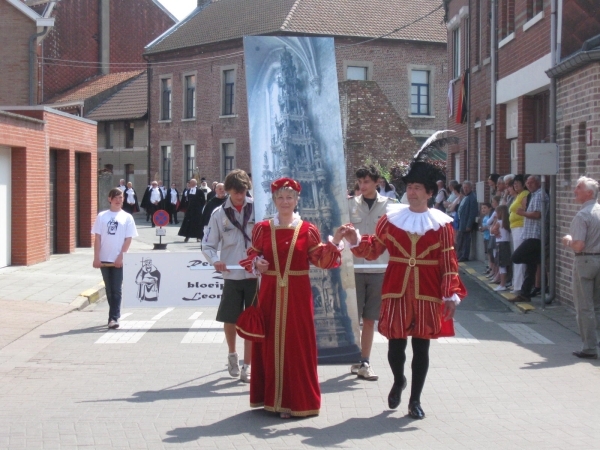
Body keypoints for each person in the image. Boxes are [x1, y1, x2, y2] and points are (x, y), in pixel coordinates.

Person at [342, 134, 466, 420]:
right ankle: (398, 379)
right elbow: (373, 249)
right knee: (396, 345)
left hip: (427, 291)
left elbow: (448, 261)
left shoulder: (441, 225)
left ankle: (415, 400)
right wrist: (354, 239)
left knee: (421, 348)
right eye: (409, 187)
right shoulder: (392, 219)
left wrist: (451, 293)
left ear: (428, 193)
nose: (412, 192)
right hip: (396, 289)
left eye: (417, 188)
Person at [240, 177, 345, 418]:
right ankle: (271, 399)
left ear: (297, 200)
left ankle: (294, 401)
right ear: (274, 200)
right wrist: (258, 263)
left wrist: (336, 241)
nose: (285, 201)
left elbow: (321, 260)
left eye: (289, 197)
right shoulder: (263, 228)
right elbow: (250, 256)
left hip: (298, 294)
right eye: (280, 197)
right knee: (270, 343)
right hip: (269, 293)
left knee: (296, 344)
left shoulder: (307, 230)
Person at [203, 170, 256, 382]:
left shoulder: (258, 209)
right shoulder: (219, 214)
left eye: (243, 192)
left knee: (252, 321)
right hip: (232, 273)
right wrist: (215, 260)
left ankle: (248, 364)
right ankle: (232, 354)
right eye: (235, 193)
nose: (239, 197)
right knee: (230, 318)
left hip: (254, 274)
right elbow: (207, 243)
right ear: (227, 191)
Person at [348, 165, 395, 381]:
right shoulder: (349, 206)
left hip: (379, 269)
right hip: (355, 269)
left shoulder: (390, 207)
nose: (363, 186)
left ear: (377, 182)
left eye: (367, 181)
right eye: (361, 182)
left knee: (369, 319)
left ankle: (365, 361)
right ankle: (355, 357)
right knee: (354, 319)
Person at [562, 177, 600, 359]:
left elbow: (578, 245)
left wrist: (568, 241)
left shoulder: (582, 215)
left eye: (579, 188)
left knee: (585, 307)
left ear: (589, 193)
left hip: (585, 262)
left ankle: (589, 347)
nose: (575, 191)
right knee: (597, 306)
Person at [92, 188, 138, 329]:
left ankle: (113, 318)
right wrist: (96, 258)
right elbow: (98, 237)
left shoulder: (127, 217)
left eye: (121, 197)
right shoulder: (102, 216)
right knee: (109, 289)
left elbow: (128, 239)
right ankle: (113, 315)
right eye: (115, 197)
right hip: (104, 258)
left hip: (119, 259)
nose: (118, 200)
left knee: (117, 289)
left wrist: (121, 257)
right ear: (109, 199)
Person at [511, 175, 548, 302]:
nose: (529, 185)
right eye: (528, 183)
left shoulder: (539, 195)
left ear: (538, 183)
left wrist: (523, 213)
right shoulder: (534, 195)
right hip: (530, 234)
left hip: (535, 235)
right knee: (530, 267)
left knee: (516, 257)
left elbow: (538, 214)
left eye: (532, 183)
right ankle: (525, 294)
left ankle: (538, 261)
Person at [508, 175, 529, 295]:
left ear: (523, 184)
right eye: (514, 183)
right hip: (515, 228)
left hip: (521, 227)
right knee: (516, 256)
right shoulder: (517, 196)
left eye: (517, 183)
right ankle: (516, 283)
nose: (515, 185)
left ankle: (519, 285)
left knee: (518, 256)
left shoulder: (524, 194)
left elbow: (525, 209)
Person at [456, 180, 478, 261]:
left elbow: (472, 212)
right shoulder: (465, 197)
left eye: (467, 187)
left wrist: (469, 225)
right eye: (464, 187)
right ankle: (459, 255)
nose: (465, 189)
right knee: (460, 239)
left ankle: (464, 256)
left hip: (466, 223)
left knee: (465, 240)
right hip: (462, 222)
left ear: (471, 188)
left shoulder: (472, 197)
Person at [491, 205, 511, 291]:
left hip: (500, 244)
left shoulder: (499, 222)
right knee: (505, 264)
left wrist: (494, 220)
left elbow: (492, 231)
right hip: (506, 243)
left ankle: (502, 284)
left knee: (501, 264)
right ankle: (504, 282)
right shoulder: (507, 222)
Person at [479, 202, 493, 274]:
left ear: (489, 208)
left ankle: (490, 267)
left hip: (489, 237)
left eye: (485, 208)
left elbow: (488, 227)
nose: (483, 209)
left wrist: (484, 228)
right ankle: (488, 266)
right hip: (485, 237)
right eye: (482, 208)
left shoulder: (490, 217)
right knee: (487, 253)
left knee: (490, 253)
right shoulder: (484, 217)